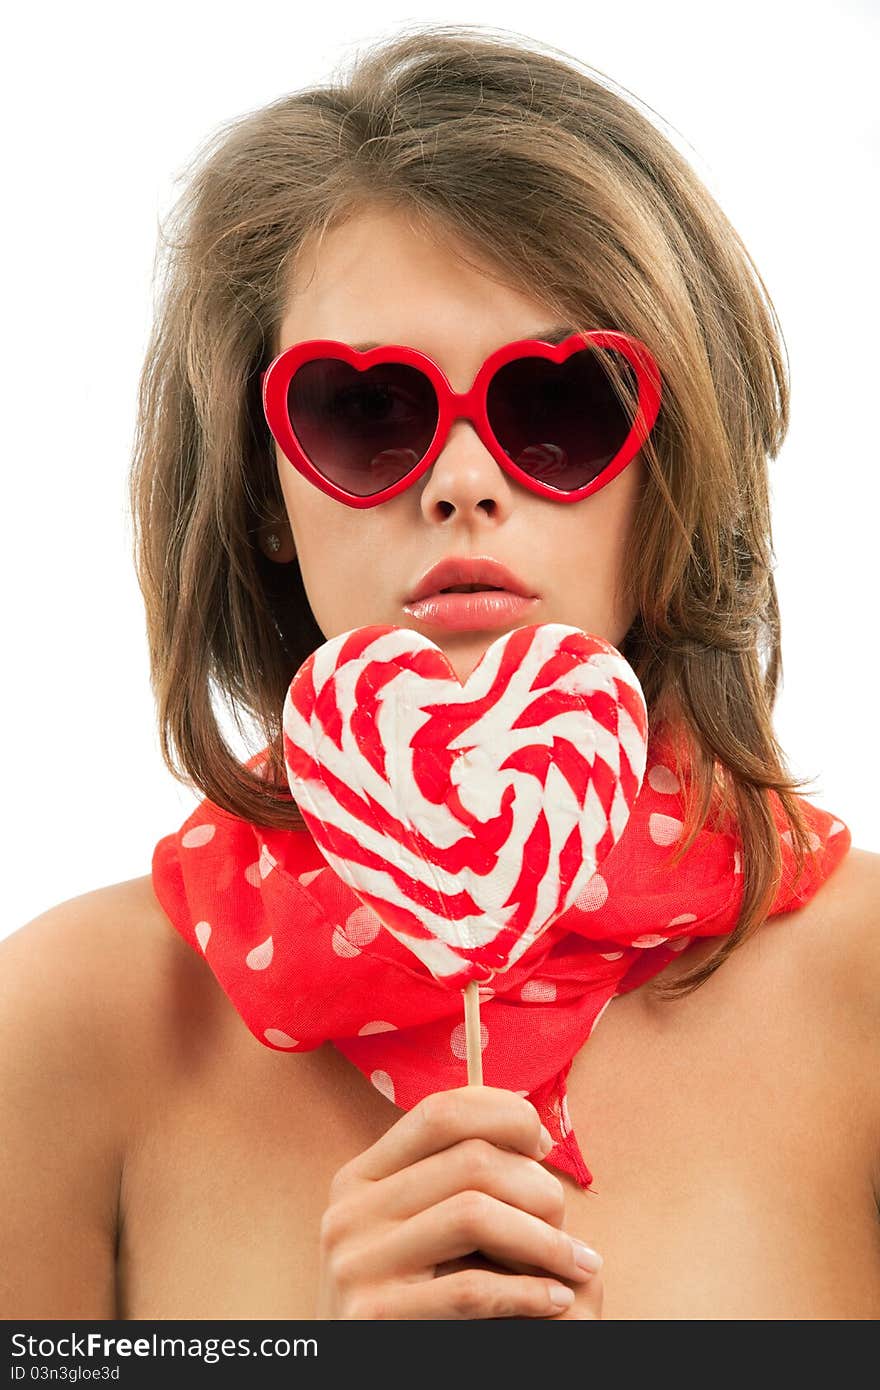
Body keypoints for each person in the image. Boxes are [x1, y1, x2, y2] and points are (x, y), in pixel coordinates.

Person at [2, 24, 878, 1323]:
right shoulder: (70, 1025)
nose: (464, 481)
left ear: (667, 471)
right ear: (262, 494)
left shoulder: (866, 1002)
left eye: (557, 407)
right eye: (366, 413)